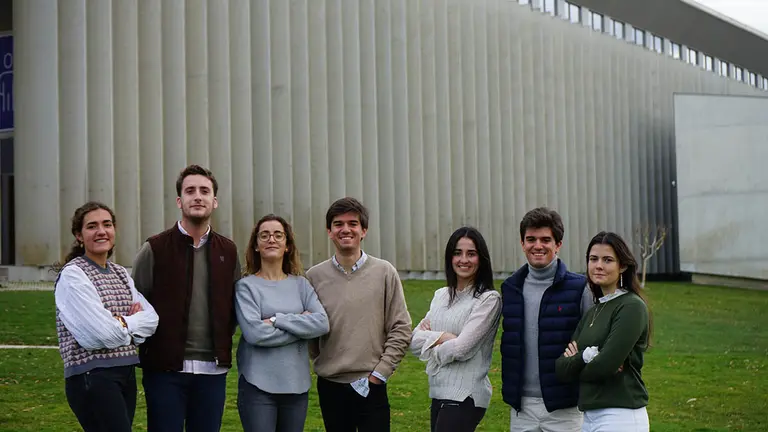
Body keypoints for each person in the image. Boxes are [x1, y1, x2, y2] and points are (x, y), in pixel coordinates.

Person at [131, 164, 241, 432]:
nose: (197, 196)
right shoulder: (154, 248)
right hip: (164, 370)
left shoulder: (228, 250)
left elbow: (234, 308)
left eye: (205, 191)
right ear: (180, 200)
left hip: (212, 371)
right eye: (190, 191)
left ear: (214, 201)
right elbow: (136, 304)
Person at [305, 197, 413, 432]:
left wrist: (380, 374)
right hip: (330, 386)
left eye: (353, 223)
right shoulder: (314, 277)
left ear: (363, 230)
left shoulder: (384, 272)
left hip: (371, 384)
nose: (345, 229)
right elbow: (310, 331)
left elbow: (401, 327)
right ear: (329, 231)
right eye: (338, 224)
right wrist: (322, 361)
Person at [54, 201, 159, 432]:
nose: (101, 231)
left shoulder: (120, 272)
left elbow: (151, 320)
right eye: (92, 226)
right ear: (79, 236)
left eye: (107, 224)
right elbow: (98, 336)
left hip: (125, 372)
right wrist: (131, 327)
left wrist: (119, 324)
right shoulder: (74, 275)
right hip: (92, 376)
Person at [500, 207, 593, 431]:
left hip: (565, 409)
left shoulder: (581, 288)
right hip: (521, 408)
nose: (537, 246)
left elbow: (595, 342)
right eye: (530, 239)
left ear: (558, 244)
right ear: (522, 243)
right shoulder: (511, 288)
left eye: (545, 239)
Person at [235, 214, 329, 432]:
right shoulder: (246, 287)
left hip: (296, 386)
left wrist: (278, 320)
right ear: (256, 245)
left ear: (287, 245)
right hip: (257, 386)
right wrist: (302, 326)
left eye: (278, 235)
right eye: (264, 235)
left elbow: (322, 324)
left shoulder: (301, 285)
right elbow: (256, 334)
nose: (271, 239)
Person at [555, 231, 651, 431]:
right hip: (589, 417)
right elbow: (562, 370)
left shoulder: (631, 306)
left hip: (620, 415)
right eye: (593, 259)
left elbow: (604, 367)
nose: (598, 265)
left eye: (607, 260)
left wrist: (579, 362)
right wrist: (589, 355)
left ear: (622, 266)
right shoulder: (593, 311)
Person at [410, 227, 502, 432]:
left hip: (465, 396)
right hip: (438, 392)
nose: (464, 260)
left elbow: (462, 349)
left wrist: (431, 345)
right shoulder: (440, 295)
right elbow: (413, 341)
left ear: (481, 259)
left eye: (471, 254)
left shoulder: (488, 300)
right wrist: (444, 336)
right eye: (458, 253)